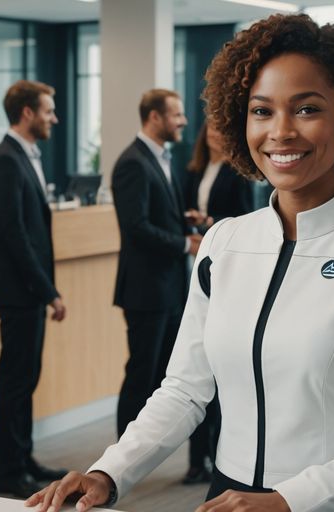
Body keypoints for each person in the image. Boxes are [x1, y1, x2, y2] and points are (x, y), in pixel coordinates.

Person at [28, 14, 334, 512]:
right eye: (262, 111)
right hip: (226, 499)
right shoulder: (223, 244)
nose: (281, 132)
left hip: (329, 504)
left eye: (307, 109)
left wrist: (289, 500)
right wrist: (109, 472)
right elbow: (185, 390)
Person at [0, 79, 68, 498]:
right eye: (49, 110)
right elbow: (15, 236)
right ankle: (9, 469)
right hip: (18, 290)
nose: (55, 117)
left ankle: (24, 457)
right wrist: (48, 290)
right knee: (14, 379)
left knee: (26, 377)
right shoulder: (4, 161)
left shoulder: (24, 156)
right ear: (28, 113)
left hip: (28, 290)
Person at [108, 88, 200, 444]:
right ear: (155, 117)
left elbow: (160, 216)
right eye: (176, 115)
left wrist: (186, 221)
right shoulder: (132, 162)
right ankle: (122, 455)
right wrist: (183, 243)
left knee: (165, 375)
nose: (183, 121)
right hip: (146, 290)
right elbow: (136, 227)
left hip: (170, 287)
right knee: (141, 375)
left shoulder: (162, 157)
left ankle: (147, 447)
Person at [180, 119, 254, 485]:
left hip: (228, 267)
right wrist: (195, 222)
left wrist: (214, 224)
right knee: (194, 369)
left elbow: (245, 219)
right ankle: (197, 460)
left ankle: (216, 454)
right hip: (198, 263)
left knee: (220, 371)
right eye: (208, 131)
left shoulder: (237, 172)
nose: (214, 136)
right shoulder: (195, 170)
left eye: (220, 132)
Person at [185, 120, 255, 229]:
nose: (217, 134)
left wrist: (210, 221)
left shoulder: (238, 172)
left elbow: (244, 216)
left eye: (223, 131)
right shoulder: (196, 168)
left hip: (223, 237)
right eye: (214, 128)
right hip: (197, 235)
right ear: (205, 131)